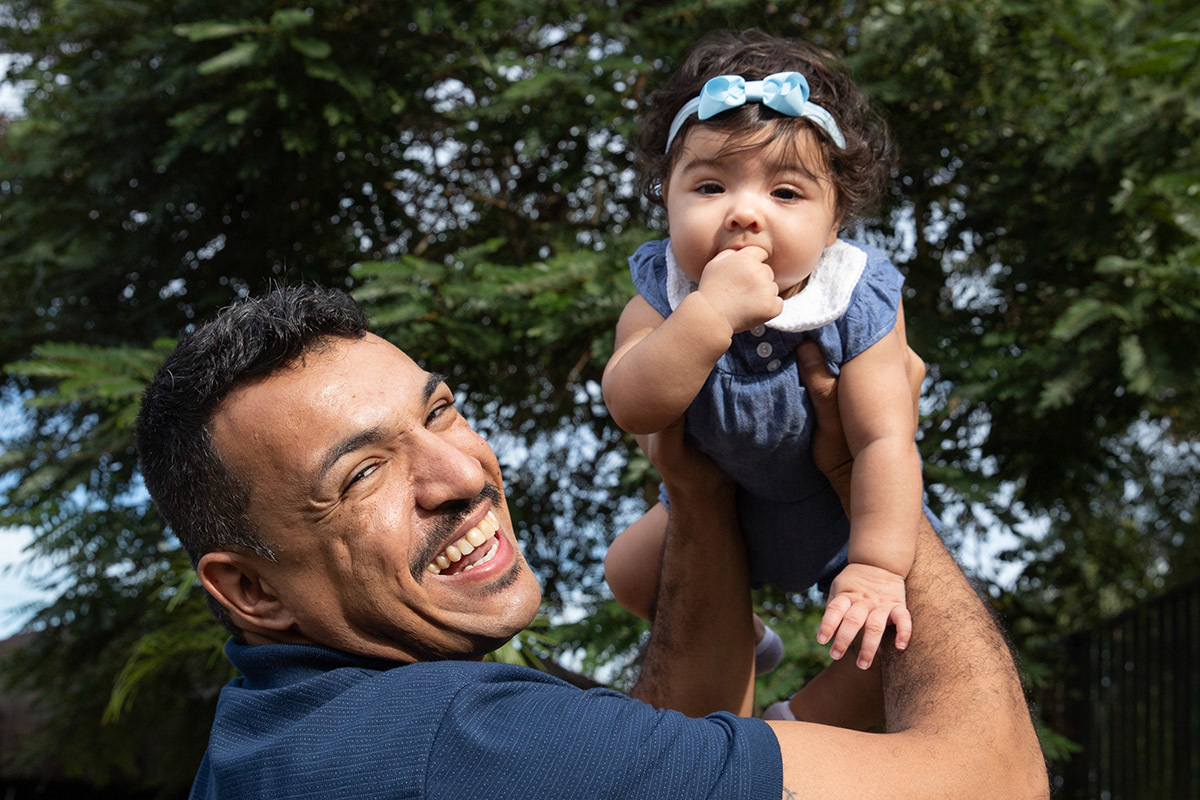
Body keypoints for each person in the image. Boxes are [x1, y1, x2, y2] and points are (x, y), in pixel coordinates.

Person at [135, 284, 1047, 798]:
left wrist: (694, 494)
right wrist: (874, 467)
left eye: (439, 412)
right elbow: (995, 783)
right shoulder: (450, 744)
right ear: (252, 589)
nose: (461, 476)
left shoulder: (293, 735)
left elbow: (668, 747)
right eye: (362, 474)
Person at [601, 29, 922, 722]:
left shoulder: (854, 298)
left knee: (897, 641)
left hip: (844, 518)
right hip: (728, 509)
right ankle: (741, 637)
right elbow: (632, 403)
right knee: (627, 571)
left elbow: (883, 442)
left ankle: (798, 722)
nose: (745, 212)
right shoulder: (664, 293)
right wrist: (706, 315)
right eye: (711, 185)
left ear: (837, 219)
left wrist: (874, 565)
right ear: (667, 200)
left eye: (785, 191)